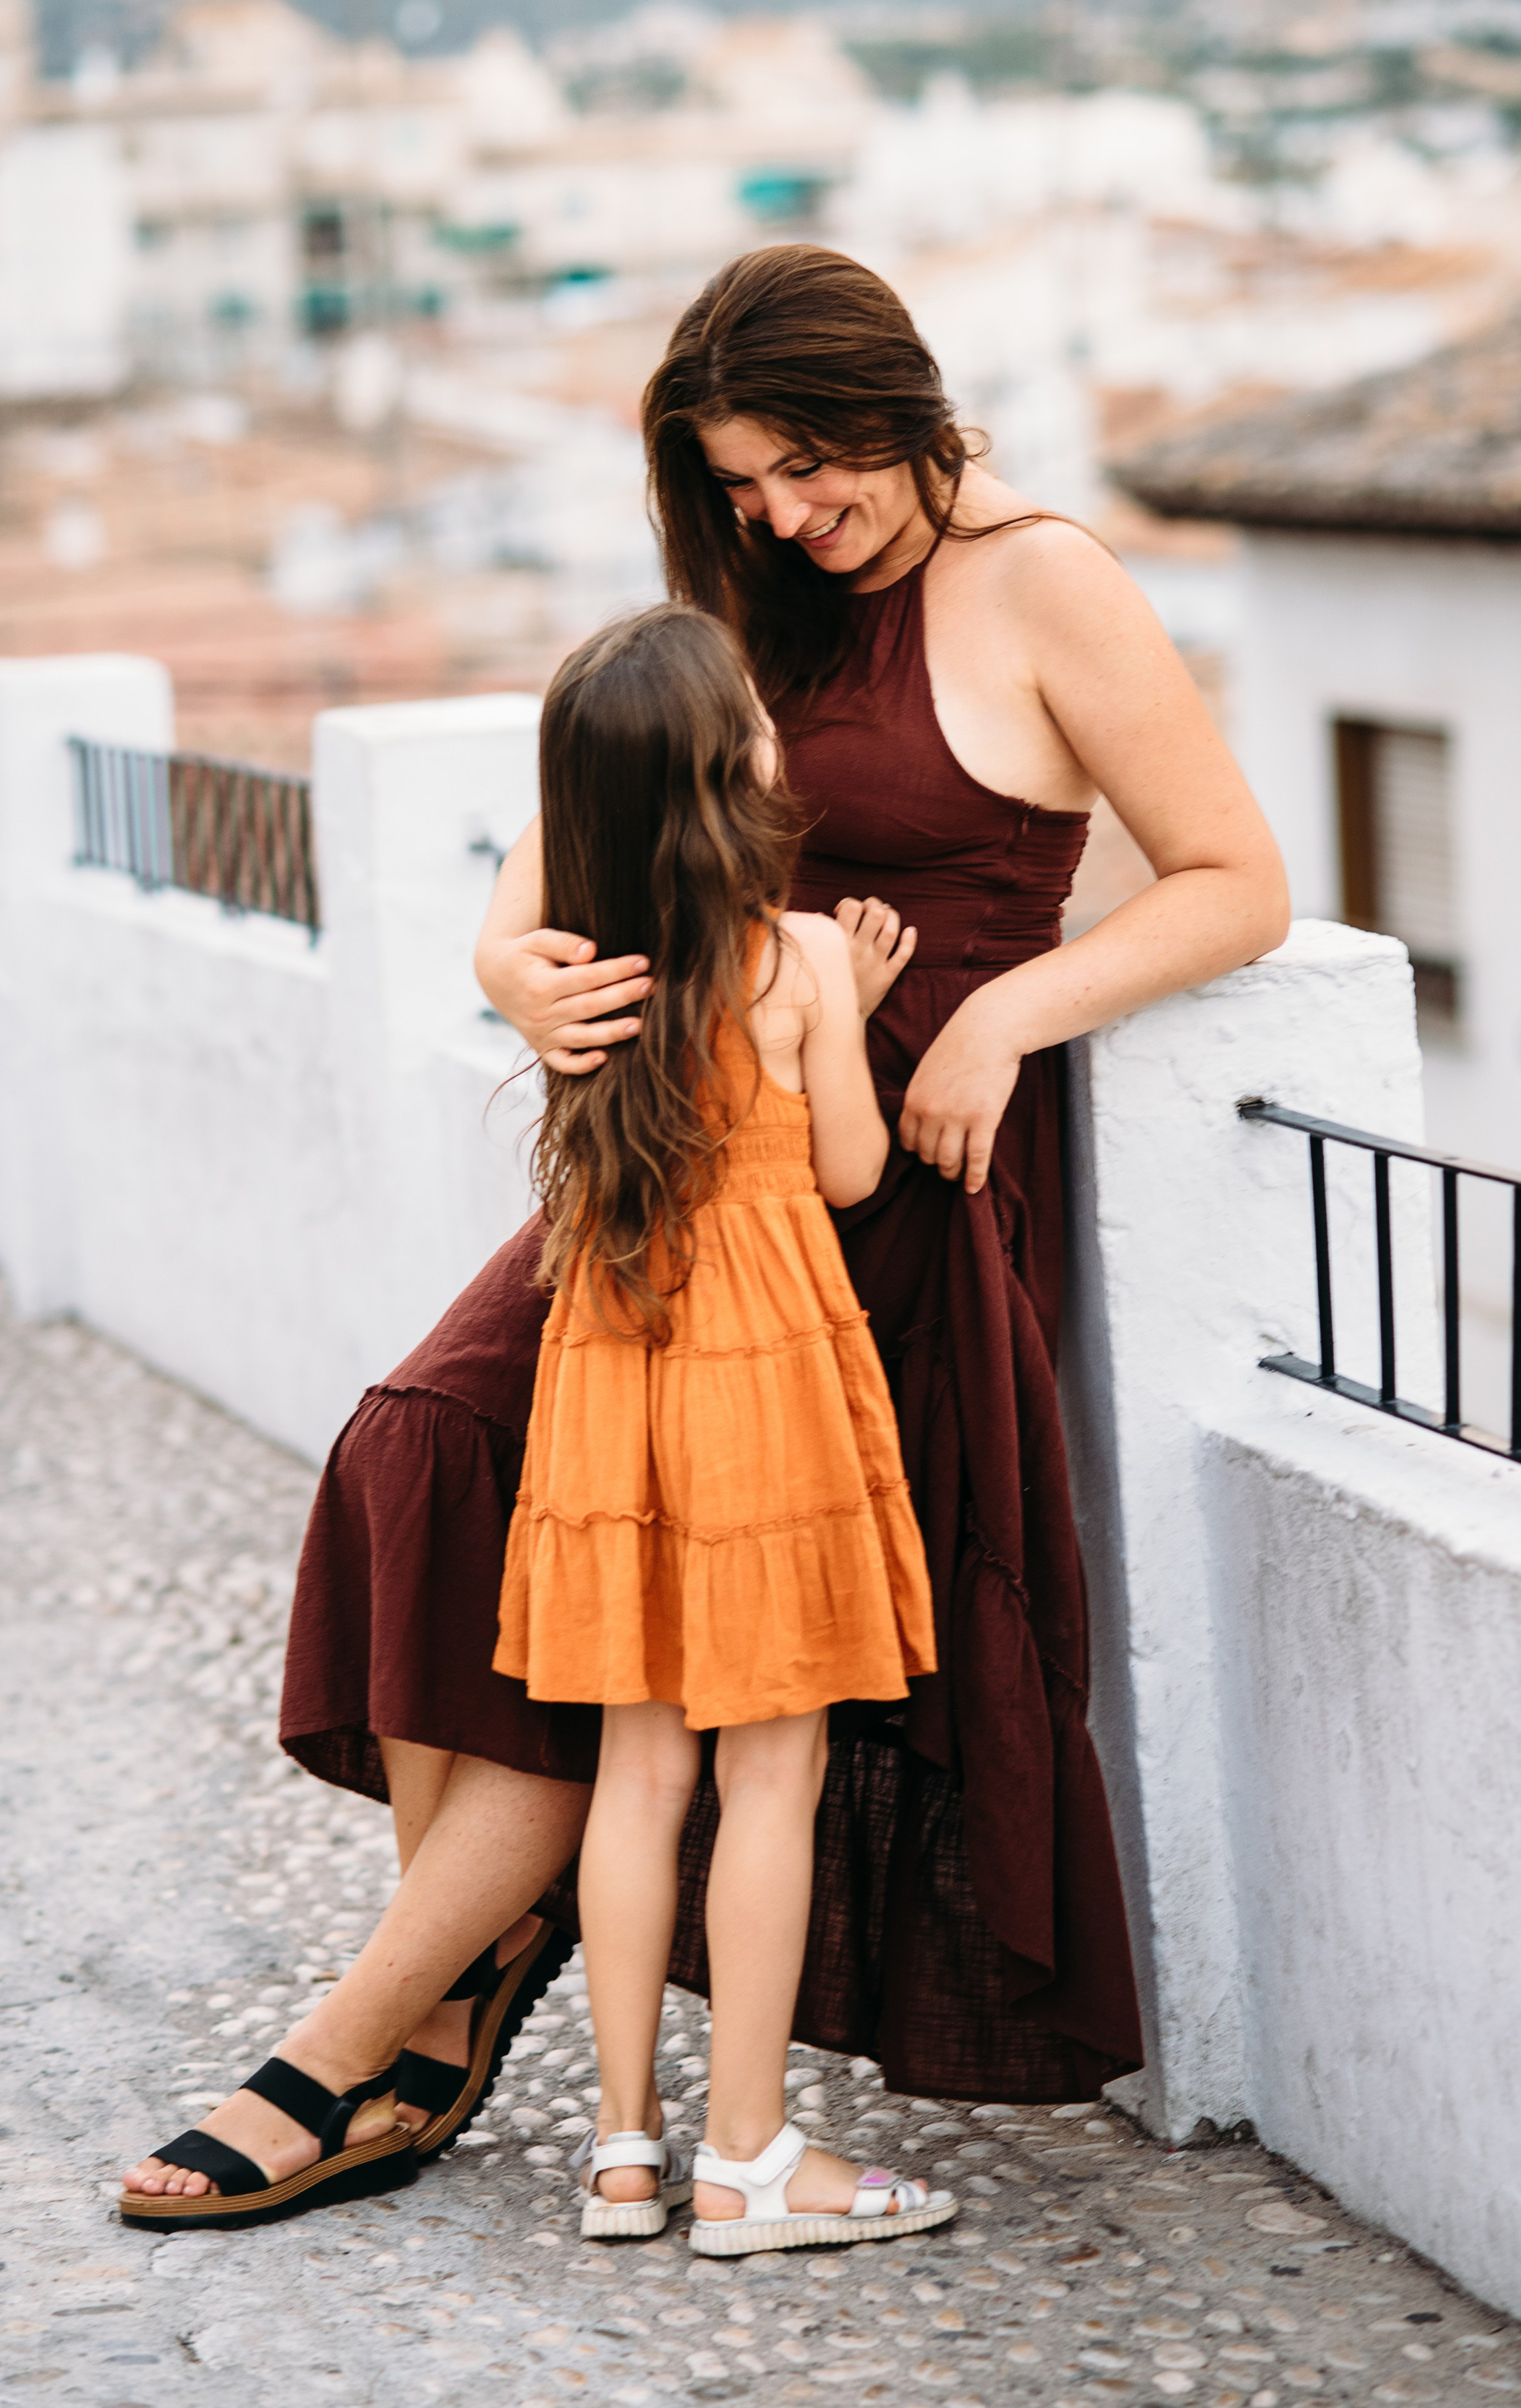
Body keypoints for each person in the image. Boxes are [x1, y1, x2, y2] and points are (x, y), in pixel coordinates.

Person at [121, 243, 1288, 2219]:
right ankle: (462, 1981)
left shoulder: (1044, 582)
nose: (780, 515)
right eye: (743, 484)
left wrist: (1003, 1010)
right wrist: (513, 972)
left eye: (809, 470)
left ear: (903, 410)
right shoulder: (749, 597)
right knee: (436, 1444)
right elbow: (563, 851)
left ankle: (365, 2044)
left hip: (884, 1200)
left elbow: (1235, 882)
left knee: (657, 1634)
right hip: (680, 1166)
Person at [497, 603, 952, 2250]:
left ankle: (624, 2152)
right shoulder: (798, 955)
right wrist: (858, 998)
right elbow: (848, 1173)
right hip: (764, 1373)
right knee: (770, 1769)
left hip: (613, 1358)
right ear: (734, 767)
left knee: (639, 1763)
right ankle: (750, 2156)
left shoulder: (571, 973)